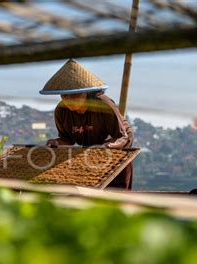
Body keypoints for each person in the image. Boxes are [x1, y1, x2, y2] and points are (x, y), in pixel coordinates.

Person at [40, 59, 134, 190]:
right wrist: (57, 143)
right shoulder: (61, 111)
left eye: (74, 95)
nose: (68, 100)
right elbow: (67, 139)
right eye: (64, 96)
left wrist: (105, 148)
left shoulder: (103, 104)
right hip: (89, 151)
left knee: (115, 192)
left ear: (86, 93)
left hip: (117, 149)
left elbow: (121, 137)